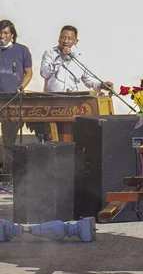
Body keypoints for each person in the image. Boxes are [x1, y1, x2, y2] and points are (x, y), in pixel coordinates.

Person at [0, 19, 33, 174]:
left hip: (12, 100)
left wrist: (21, 86)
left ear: (12, 35)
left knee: (9, 137)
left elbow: (28, 73)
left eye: (5, 33)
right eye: (0, 33)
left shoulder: (22, 50)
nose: (2, 36)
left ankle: (9, 171)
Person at [40, 25, 113, 93]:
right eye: (63, 37)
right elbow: (44, 73)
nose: (65, 41)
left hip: (73, 100)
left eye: (70, 38)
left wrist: (102, 85)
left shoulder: (80, 57)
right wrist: (61, 57)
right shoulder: (50, 53)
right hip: (51, 99)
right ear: (58, 39)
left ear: (75, 41)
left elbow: (88, 80)